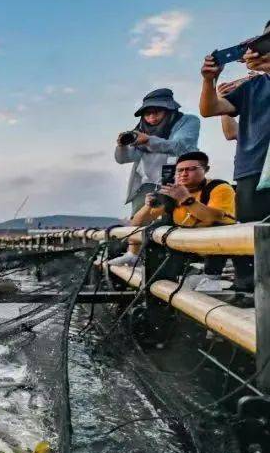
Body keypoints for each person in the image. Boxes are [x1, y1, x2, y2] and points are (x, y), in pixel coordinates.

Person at [200, 20, 270, 293]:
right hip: (253, 171)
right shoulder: (253, 85)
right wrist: (209, 80)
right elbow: (210, 109)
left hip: (253, 170)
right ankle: (249, 301)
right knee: (249, 246)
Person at [109, 151, 235, 267]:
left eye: (191, 169)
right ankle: (133, 256)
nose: (184, 174)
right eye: (179, 170)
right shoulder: (172, 192)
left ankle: (212, 276)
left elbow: (214, 218)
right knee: (156, 229)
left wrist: (186, 199)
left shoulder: (219, 188)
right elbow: (137, 224)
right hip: (184, 246)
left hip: (215, 248)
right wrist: (148, 206)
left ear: (205, 170)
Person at [114, 88, 200, 216]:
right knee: (138, 228)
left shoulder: (188, 121)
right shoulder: (140, 130)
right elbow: (123, 159)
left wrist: (148, 140)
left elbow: (181, 147)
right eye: (147, 114)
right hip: (146, 186)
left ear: (169, 110)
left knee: (177, 222)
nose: (151, 118)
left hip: (178, 182)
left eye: (156, 112)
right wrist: (121, 146)